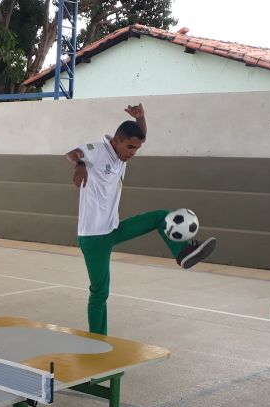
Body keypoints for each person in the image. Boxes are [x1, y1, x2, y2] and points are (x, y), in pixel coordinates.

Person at [66, 103, 217, 335]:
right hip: (93, 237)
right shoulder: (97, 150)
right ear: (116, 140)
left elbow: (140, 136)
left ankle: (183, 253)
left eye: (136, 149)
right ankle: (97, 339)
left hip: (113, 229)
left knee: (160, 216)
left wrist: (141, 118)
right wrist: (79, 165)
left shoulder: (120, 157)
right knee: (99, 292)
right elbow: (72, 153)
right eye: (130, 147)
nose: (133, 153)